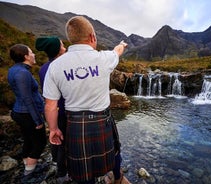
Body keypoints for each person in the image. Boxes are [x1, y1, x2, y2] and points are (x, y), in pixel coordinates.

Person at [43, 16, 130, 184]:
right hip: (102, 121)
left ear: (71, 39)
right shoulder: (104, 58)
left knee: (81, 170)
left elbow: (50, 105)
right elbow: (117, 51)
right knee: (114, 153)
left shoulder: (55, 66)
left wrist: (53, 129)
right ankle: (117, 178)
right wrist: (122, 45)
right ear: (92, 37)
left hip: (75, 125)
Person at [7, 44, 47, 182]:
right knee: (40, 142)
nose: (34, 54)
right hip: (27, 114)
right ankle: (28, 175)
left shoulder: (14, 69)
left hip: (20, 112)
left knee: (29, 140)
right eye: (31, 52)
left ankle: (28, 166)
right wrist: (38, 121)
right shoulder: (23, 73)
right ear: (26, 56)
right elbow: (27, 99)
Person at [35, 36, 70, 183]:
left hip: (51, 110)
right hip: (63, 110)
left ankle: (55, 161)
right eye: (62, 45)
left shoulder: (44, 68)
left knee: (55, 136)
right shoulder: (60, 66)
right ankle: (62, 174)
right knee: (64, 141)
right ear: (57, 49)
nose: (64, 46)